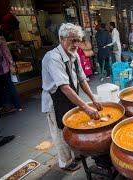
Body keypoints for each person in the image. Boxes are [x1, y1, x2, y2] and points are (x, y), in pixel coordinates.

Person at [41, 23, 101, 171]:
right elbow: (64, 87)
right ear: (62, 38)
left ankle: (76, 154)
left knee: (72, 127)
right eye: (72, 40)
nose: (76, 44)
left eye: (78, 40)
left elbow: (82, 79)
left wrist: (93, 99)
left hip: (70, 97)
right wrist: (86, 107)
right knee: (60, 132)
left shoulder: (74, 55)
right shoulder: (53, 58)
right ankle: (66, 162)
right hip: (55, 100)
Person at [0, 35, 22, 113]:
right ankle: (16, 106)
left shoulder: (0, 41)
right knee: (9, 86)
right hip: (4, 68)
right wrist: (11, 63)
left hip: (1, 69)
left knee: (2, 89)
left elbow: (6, 53)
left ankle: (9, 106)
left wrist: (11, 64)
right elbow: (6, 53)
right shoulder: (1, 40)